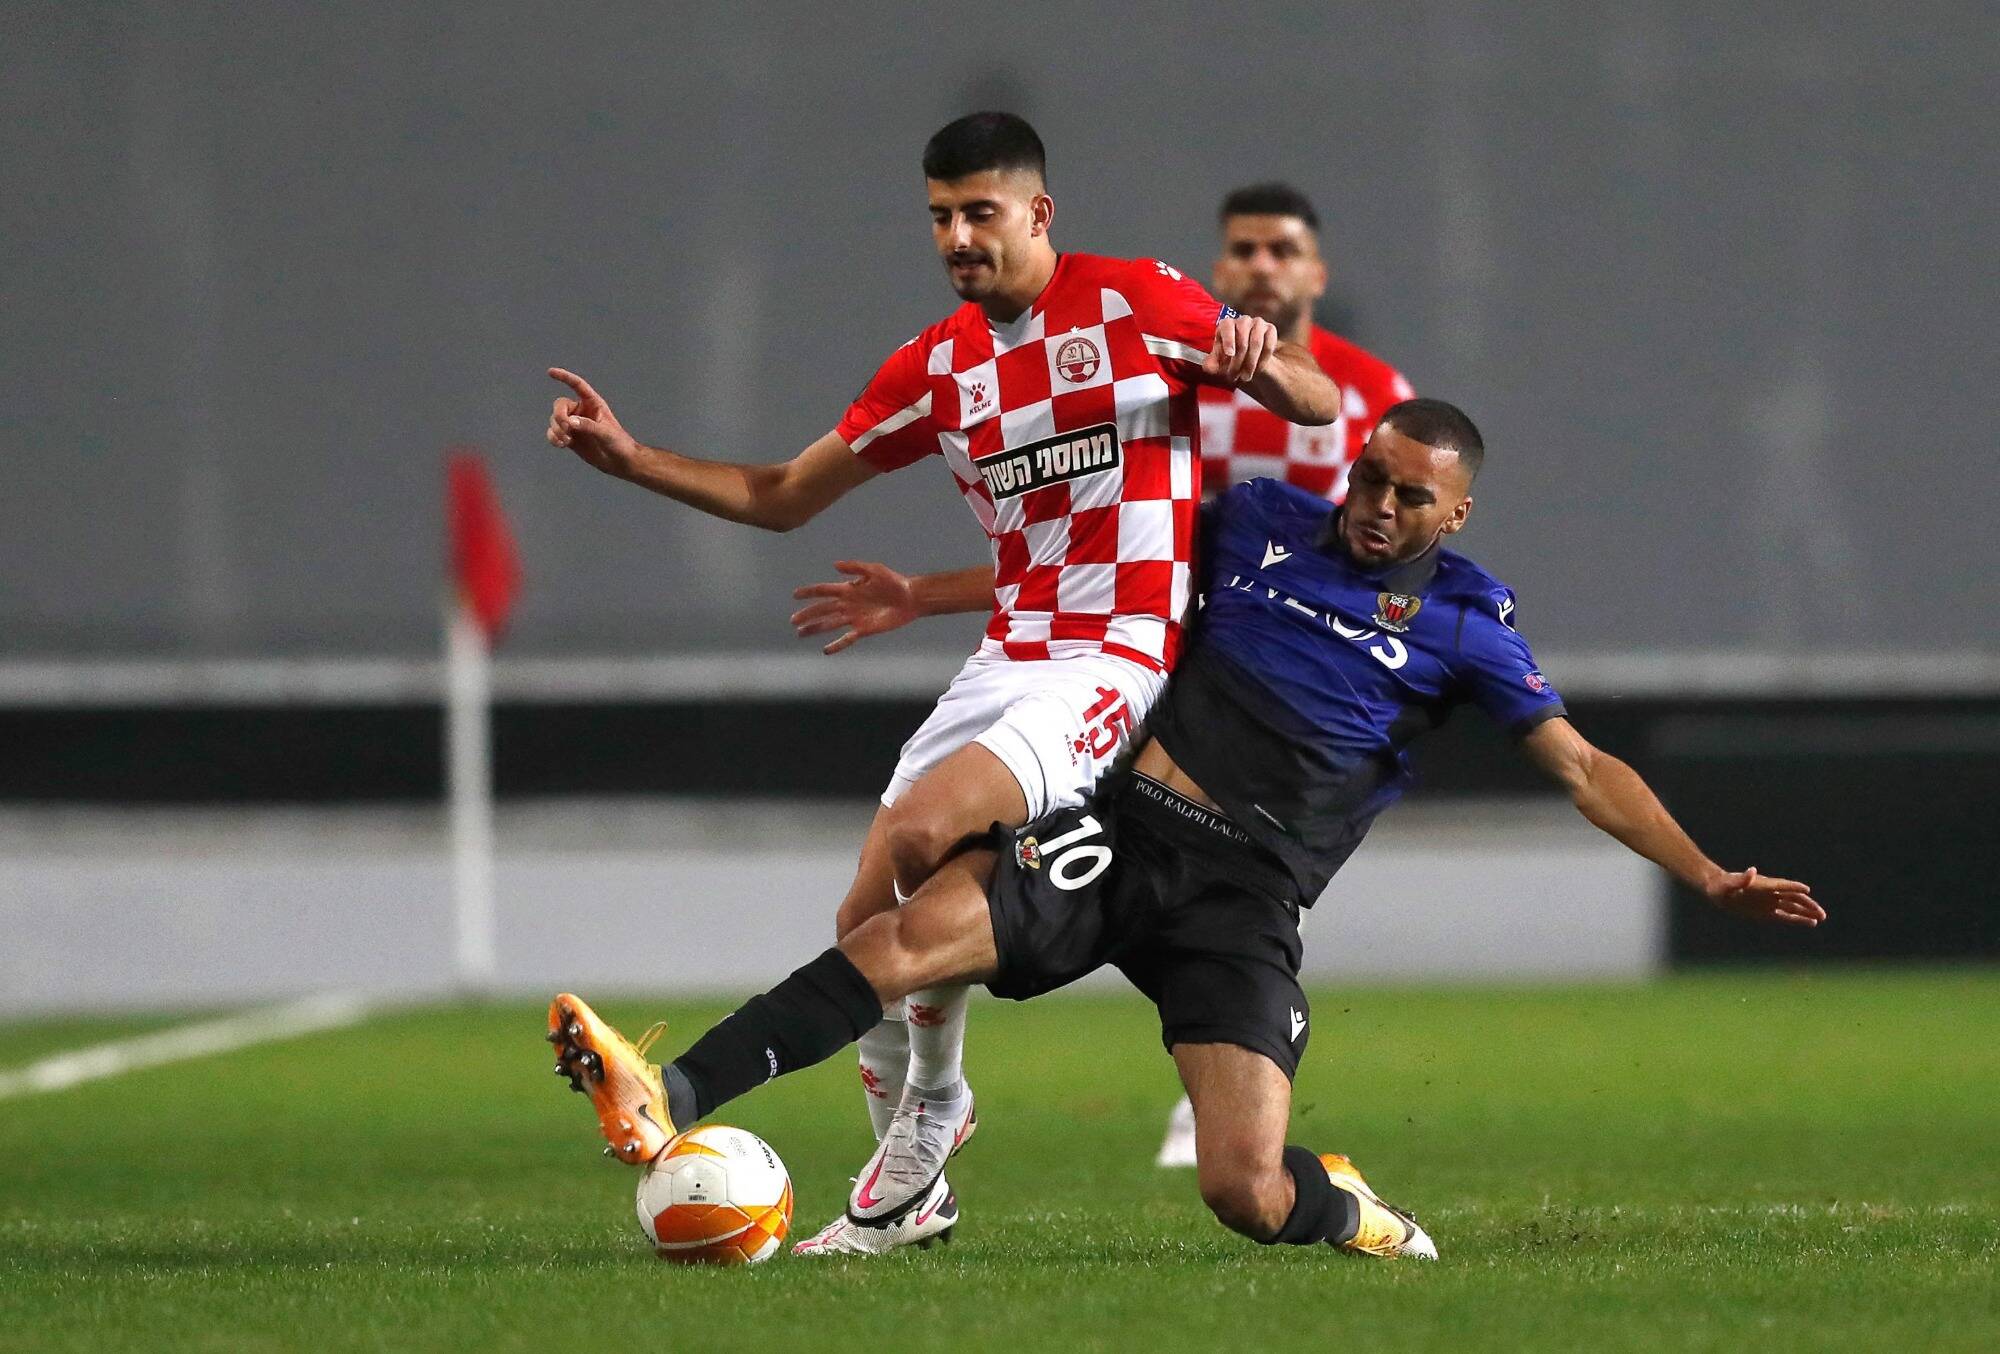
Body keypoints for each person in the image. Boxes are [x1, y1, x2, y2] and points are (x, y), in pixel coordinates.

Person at [547, 398, 1823, 1260]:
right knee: (894, 935)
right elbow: (1099, 571)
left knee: (1241, 1190)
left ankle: (1354, 1216)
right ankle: (674, 1090)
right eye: (1367, 477)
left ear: (1453, 516)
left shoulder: (1467, 626)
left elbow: (1585, 766)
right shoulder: (1261, 521)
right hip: (1122, 830)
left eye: (1406, 496)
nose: (1374, 506)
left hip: (1243, 898)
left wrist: (1706, 875)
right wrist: (920, 593)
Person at [543, 111, 1341, 1252]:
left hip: (1121, 652)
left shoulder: (1136, 303)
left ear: (1036, 213)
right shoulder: (937, 367)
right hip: (1011, 655)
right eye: (939, 217)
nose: (958, 236)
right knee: (865, 914)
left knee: (927, 826)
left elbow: (1315, 403)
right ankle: (913, 1181)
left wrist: (1262, 361)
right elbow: (781, 494)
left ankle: (929, 1109)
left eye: (979, 213)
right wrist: (633, 462)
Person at [1199, 183, 1414, 502]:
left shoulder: (1376, 390)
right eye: (1244, 251)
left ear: (1318, 277)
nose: (1261, 268)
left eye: (1283, 251)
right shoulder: (1177, 370)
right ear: (1219, 273)